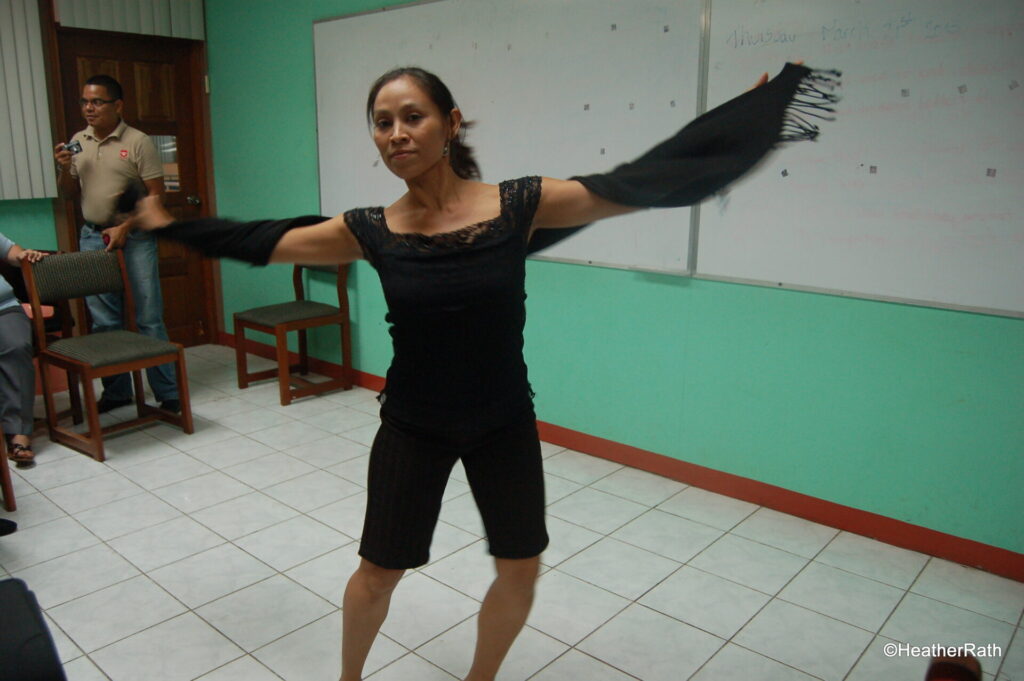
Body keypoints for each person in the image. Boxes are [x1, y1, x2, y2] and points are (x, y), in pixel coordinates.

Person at [131, 63, 838, 681]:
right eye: (382, 123)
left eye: (413, 116)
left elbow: (638, 182)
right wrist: (168, 224)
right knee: (379, 571)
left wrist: (749, 119)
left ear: (450, 123)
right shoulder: (369, 228)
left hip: (503, 418)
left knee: (520, 565)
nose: (396, 133)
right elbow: (259, 239)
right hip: (413, 423)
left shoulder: (520, 205)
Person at [54, 74, 180, 414]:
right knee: (104, 319)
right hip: (94, 235)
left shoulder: (138, 141)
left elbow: (157, 194)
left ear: (117, 105)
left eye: (96, 102)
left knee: (149, 315)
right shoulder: (78, 141)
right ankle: (118, 391)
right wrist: (64, 169)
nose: (89, 108)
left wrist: (126, 226)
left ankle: (167, 392)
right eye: (84, 102)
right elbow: (69, 193)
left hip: (135, 234)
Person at [0, 233, 47, 469]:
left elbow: (12, 252)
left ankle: (18, 433)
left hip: (4, 307)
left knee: (17, 347)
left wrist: (22, 255)